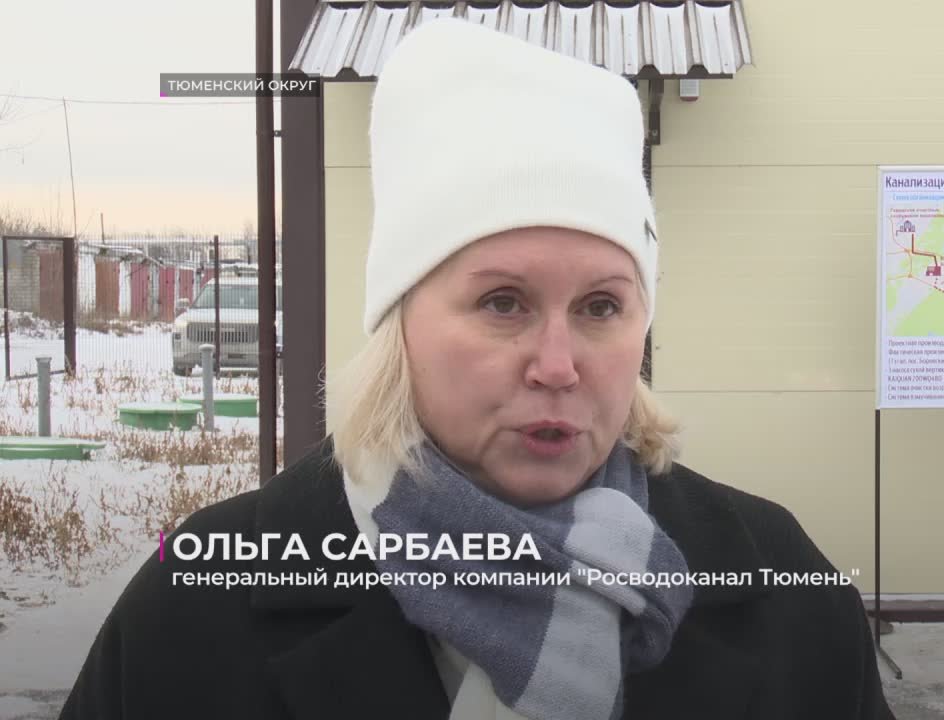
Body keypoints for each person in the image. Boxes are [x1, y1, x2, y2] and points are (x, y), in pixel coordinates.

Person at [59, 18, 896, 720]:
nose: (558, 366)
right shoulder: (201, 601)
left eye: (601, 307)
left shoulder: (782, 588)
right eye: (503, 302)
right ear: (401, 324)